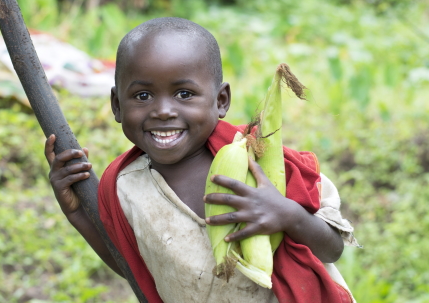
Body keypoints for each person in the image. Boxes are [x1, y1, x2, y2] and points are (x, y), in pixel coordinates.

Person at [44, 17, 358, 303]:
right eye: (142, 96)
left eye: (184, 94)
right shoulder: (124, 185)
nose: (162, 110)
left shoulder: (261, 164)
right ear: (117, 105)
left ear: (220, 101)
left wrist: (288, 215)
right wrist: (78, 215)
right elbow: (135, 265)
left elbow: (332, 248)